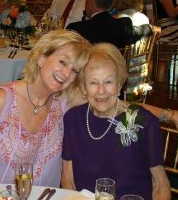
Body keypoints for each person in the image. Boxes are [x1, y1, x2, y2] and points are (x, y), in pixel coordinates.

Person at [0, 29, 92, 188]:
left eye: (74, 70)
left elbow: (101, 91)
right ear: (41, 57)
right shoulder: (2, 101)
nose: (66, 73)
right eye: (63, 62)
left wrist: (119, 103)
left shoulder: (64, 102)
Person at [61, 42, 171, 200]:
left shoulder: (143, 122)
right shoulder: (73, 120)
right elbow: (67, 180)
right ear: (83, 88)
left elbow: (161, 185)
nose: (101, 91)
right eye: (93, 82)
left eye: (108, 82)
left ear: (119, 84)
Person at [66, 0, 153, 48]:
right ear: (112, 2)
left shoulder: (75, 30)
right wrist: (149, 28)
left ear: (90, 0)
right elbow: (141, 31)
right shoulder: (122, 25)